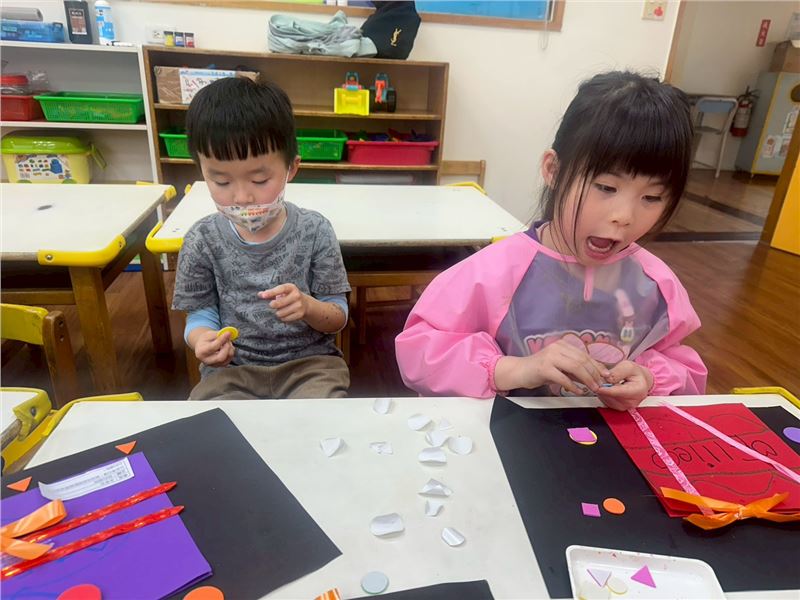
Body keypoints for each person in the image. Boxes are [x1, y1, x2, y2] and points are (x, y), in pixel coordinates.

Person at [395, 71, 707, 410]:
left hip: (610, 434)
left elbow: (684, 367)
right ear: (553, 170)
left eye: (652, 197)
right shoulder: (495, 272)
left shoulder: (656, 284)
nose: (625, 216)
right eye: (606, 187)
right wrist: (517, 369)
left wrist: (649, 379)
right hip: (506, 434)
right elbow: (419, 352)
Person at [173, 77, 351, 400]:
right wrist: (202, 340)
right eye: (221, 181)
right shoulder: (202, 239)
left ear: (291, 168)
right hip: (233, 371)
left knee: (322, 420)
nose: (242, 196)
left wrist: (308, 307)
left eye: (259, 179)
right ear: (202, 171)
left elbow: (337, 316)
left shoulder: (315, 230)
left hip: (310, 367)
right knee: (214, 421)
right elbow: (199, 315)